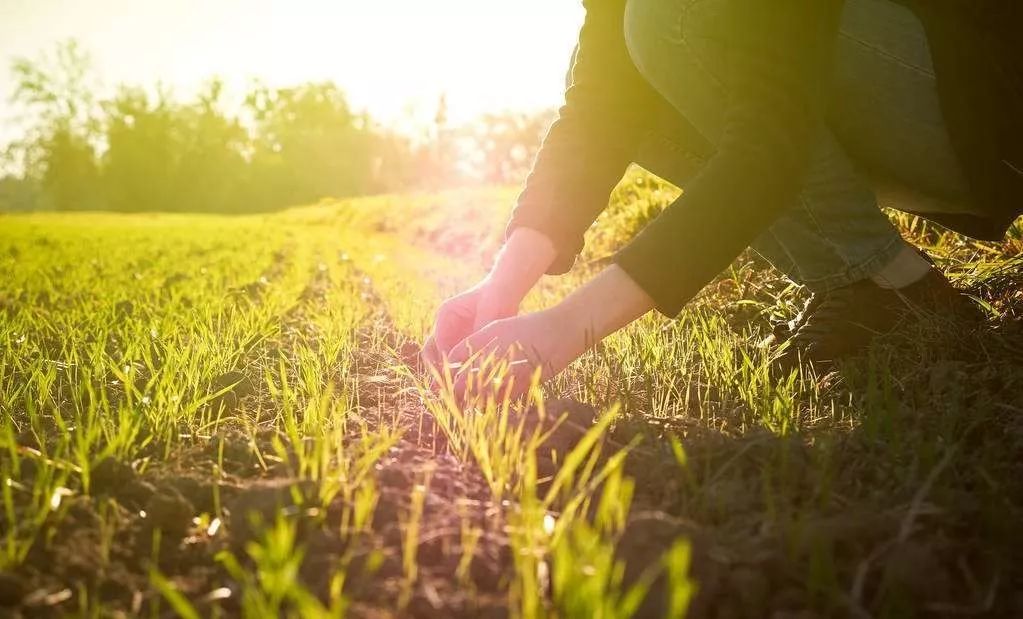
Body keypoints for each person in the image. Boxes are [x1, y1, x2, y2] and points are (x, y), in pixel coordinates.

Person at [422, 0, 1023, 396]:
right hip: (929, 113)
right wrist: (499, 289)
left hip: (992, 103)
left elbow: (771, 143)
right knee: (633, 65)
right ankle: (881, 284)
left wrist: (566, 328)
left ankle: (883, 279)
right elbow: (600, 107)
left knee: (671, 20)